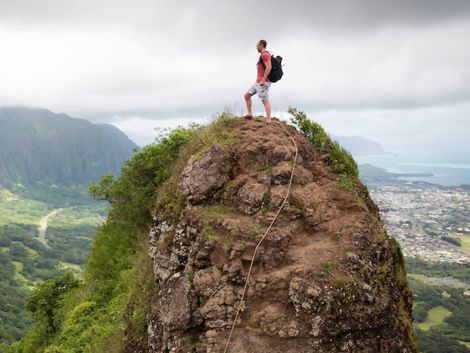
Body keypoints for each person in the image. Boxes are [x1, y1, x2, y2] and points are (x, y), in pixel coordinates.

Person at [244, 40, 272, 126]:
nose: (256, 48)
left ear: (262, 45)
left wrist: (263, 79)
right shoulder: (262, 55)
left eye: (257, 46)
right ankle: (250, 114)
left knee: (265, 100)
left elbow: (269, 67)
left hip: (264, 82)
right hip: (257, 82)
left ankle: (268, 120)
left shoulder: (265, 55)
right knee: (247, 95)